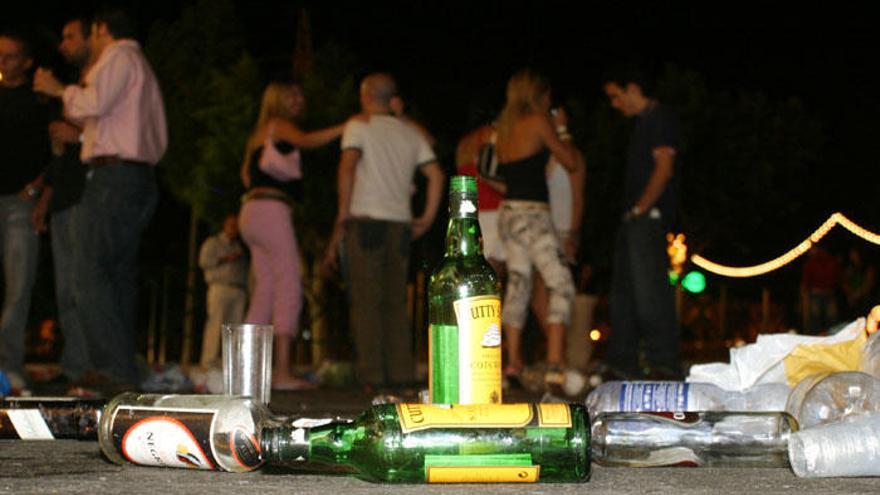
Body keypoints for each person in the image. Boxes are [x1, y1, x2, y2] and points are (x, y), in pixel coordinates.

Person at [33, 7, 167, 389]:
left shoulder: (119, 55)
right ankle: (120, 368)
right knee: (114, 275)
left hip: (114, 177)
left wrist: (60, 90)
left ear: (102, 29)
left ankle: (112, 369)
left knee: (88, 272)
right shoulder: (137, 63)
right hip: (134, 176)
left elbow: (94, 103)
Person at [323, 73, 444, 390]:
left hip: (365, 221)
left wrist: (341, 215)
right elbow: (436, 173)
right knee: (394, 300)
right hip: (400, 225)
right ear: (393, 99)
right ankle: (401, 373)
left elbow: (348, 166)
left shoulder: (358, 126)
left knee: (366, 300)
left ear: (364, 96)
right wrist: (427, 217)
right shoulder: (409, 132)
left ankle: (372, 376)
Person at [239, 81, 344, 390]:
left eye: (300, 95)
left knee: (265, 289)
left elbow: (246, 176)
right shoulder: (278, 125)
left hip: (251, 212)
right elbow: (308, 140)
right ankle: (282, 372)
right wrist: (345, 127)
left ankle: (246, 371)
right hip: (272, 210)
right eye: (291, 96)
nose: (299, 100)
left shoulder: (257, 135)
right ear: (275, 101)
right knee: (289, 285)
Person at [493, 69, 582, 382]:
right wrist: (563, 131)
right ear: (539, 96)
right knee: (561, 283)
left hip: (509, 214)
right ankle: (555, 362)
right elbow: (570, 162)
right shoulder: (538, 122)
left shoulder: (503, 130)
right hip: (533, 214)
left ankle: (513, 363)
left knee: (519, 285)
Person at [603, 67, 682, 380]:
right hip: (633, 220)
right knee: (625, 295)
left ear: (633, 87)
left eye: (615, 95)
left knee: (650, 293)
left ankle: (664, 363)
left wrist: (639, 210)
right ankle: (622, 363)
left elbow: (664, 169)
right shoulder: (642, 124)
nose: (614, 103)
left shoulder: (660, 118)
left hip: (646, 220)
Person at [30, 16, 93, 385]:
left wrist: (77, 135)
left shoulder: (93, 88)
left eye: (71, 37)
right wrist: (44, 200)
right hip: (65, 197)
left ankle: (90, 365)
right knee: (66, 288)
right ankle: (75, 365)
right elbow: (60, 158)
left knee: (84, 285)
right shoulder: (72, 90)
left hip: (90, 195)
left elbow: (112, 135)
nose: (63, 45)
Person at [0, 31, 51, 385]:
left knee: (18, 286)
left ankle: (7, 365)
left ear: (27, 61)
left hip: (20, 202)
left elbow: (58, 152)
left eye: (11, 56)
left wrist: (39, 188)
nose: (3, 62)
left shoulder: (40, 100)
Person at [198, 213, 248, 369]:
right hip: (219, 287)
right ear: (224, 225)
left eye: (237, 226)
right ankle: (208, 361)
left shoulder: (239, 247)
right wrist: (225, 258)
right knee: (215, 323)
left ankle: (232, 363)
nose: (234, 229)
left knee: (235, 327)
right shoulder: (213, 243)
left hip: (238, 288)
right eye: (231, 225)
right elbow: (203, 262)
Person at [455, 121, 506, 275]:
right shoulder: (492, 136)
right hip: (493, 209)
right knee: (492, 273)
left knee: (475, 272)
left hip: (470, 212)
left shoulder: (464, 143)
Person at [801, 245, 843, 334]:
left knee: (830, 322)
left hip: (827, 294)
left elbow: (838, 278)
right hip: (817, 295)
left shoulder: (829, 261)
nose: (809, 251)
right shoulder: (810, 263)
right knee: (816, 322)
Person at [842, 246, 875, 320]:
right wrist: (850, 294)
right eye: (851, 253)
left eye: (854, 253)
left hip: (865, 300)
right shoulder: (850, 267)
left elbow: (869, 283)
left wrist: (858, 294)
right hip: (851, 299)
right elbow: (844, 281)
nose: (852, 255)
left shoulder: (867, 267)